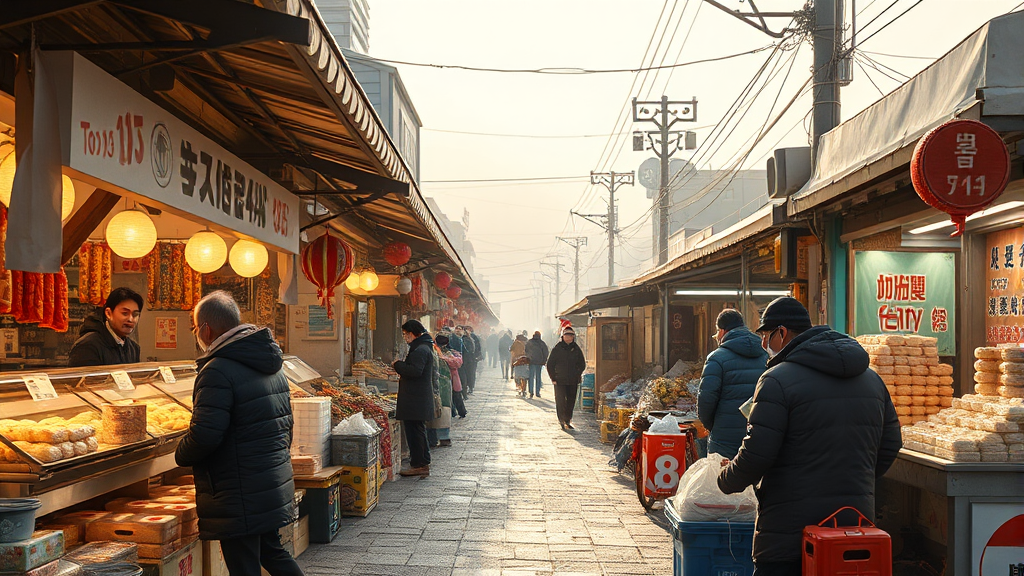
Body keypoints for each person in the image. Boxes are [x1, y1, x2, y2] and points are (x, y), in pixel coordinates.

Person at [717, 297, 902, 576]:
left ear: (782, 333)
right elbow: (891, 443)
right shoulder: (872, 379)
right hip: (853, 527)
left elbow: (758, 453)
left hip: (789, 535)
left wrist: (727, 477)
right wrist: (855, 478)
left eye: (766, 336)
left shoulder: (776, 380)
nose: (765, 344)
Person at [174, 291, 303, 576]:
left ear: (206, 330)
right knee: (273, 552)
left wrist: (180, 453)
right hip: (268, 480)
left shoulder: (217, 369)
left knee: (244, 566)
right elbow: (286, 425)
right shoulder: (269, 363)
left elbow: (206, 435)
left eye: (196, 328)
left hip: (238, 489)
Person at [697, 309, 768, 459]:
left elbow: (706, 401)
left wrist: (713, 427)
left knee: (723, 478)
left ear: (722, 331)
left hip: (724, 441)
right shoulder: (766, 354)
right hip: (759, 436)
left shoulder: (716, 358)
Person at [393, 320, 435, 477]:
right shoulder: (422, 347)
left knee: (415, 433)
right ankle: (422, 462)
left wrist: (398, 365)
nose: (404, 337)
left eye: (405, 334)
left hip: (415, 399)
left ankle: (419, 464)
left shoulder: (420, 350)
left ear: (411, 333)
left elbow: (415, 371)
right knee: (418, 431)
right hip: (417, 398)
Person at [68, 287, 144, 367]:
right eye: (125, 313)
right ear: (108, 313)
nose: (130, 319)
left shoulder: (134, 348)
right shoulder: (88, 346)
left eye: (135, 314)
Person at [546, 325, 587, 430]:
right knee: (560, 401)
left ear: (573, 337)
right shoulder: (557, 348)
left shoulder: (576, 349)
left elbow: (582, 364)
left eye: (570, 335)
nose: (569, 337)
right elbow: (550, 364)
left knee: (571, 401)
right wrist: (553, 378)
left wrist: (577, 373)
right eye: (567, 335)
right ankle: (561, 419)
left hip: (573, 380)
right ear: (563, 336)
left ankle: (568, 420)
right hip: (559, 380)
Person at [436, 334, 467, 419]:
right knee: (449, 396)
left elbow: (456, 363)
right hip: (444, 377)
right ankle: (452, 412)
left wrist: (444, 358)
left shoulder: (450, 352)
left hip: (452, 377)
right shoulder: (437, 351)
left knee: (456, 395)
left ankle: (462, 412)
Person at [524, 331, 549, 398]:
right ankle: (537, 392)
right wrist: (544, 360)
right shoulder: (542, 343)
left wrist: (529, 357)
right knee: (538, 377)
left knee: (531, 377)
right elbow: (546, 352)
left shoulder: (530, 342)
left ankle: (531, 391)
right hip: (539, 362)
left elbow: (526, 350)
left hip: (531, 362)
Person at [457, 326, 477, 395]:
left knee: (465, 376)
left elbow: (469, 350)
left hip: (466, 360)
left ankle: (466, 390)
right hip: (468, 360)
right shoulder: (469, 339)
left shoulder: (465, 340)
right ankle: (468, 389)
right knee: (468, 375)